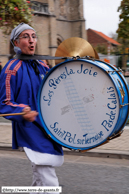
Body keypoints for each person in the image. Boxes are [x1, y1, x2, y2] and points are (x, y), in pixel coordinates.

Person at [0, 23, 63, 194]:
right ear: (16, 42)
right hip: (30, 129)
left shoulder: (42, 65)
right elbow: (4, 103)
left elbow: (54, 90)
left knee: (41, 176)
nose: (31, 41)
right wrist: (23, 112)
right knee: (48, 178)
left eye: (34, 36)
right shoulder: (11, 69)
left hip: (47, 127)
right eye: (26, 37)